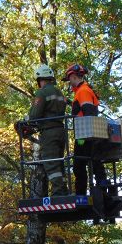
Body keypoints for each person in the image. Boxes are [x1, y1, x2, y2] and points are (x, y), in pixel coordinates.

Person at [62, 63, 106, 195]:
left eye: (69, 79)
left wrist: (83, 137)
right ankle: (101, 187)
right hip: (87, 134)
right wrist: (70, 102)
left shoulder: (83, 91)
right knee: (93, 162)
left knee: (80, 165)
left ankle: (82, 194)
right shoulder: (83, 91)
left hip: (85, 135)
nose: (69, 82)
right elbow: (83, 110)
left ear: (74, 76)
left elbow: (89, 113)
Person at [26, 64, 68, 197]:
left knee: (50, 162)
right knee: (59, 162)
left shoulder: (42, 92)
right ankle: (63, 189)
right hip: (61, 131)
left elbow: (34, 115)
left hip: (49, 132)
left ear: (39, 79)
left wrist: (27, 120)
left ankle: (58, 192)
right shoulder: (59, 93)